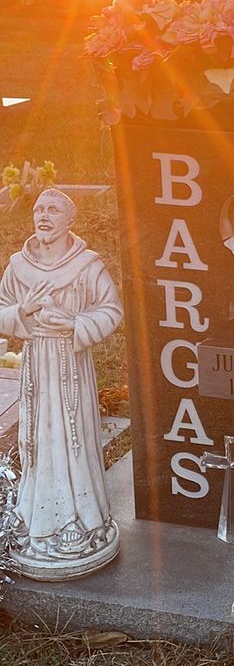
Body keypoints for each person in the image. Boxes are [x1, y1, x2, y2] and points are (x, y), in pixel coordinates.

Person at [0, 189, 123, 579]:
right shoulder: (19, 266)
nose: (43, 215)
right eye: (38, 209)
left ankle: (82, 521)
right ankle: (38, 523)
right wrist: (23, 311)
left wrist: (75, 324)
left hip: (72, 368)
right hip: (37, 365)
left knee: (73, 438)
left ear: (70, 219)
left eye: (53, 210)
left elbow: (112, 310)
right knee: (38, 441)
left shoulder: (86, 266)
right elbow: (2, 312)